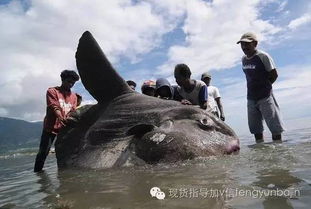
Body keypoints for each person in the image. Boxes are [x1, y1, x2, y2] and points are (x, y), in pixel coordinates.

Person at [237, 32, 285, 142]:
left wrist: (265, 87)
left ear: (255, 43)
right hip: (251, 98)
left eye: (247, 44)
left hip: (265, 96)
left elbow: (274, 74)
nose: (244, 47)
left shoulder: (263, 56)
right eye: (242, 44)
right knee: (255, 129)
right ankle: (260, 154)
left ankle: (279, 151)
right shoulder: (243, 59)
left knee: (275, 128)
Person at [34, 70, 80, 172]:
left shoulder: (74, 97)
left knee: (67, 151)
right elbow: (54, 106)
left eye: (73, 83)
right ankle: (38, 173)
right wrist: (60, 116)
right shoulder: (52, 91)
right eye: (69, 81)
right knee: (43, 152)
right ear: (62, 80)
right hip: (50, 128)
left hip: (65, 127)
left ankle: (65, 172)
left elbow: (73, 111)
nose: (71, 84)